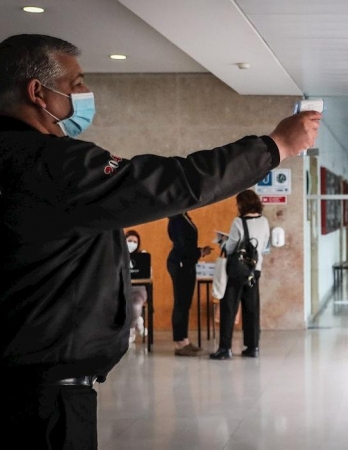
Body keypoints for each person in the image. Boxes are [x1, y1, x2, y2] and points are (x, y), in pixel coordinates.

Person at [0, 34, 320, 449]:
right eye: (77, 83)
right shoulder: (50, 164)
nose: (85, 93)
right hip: (42, 397)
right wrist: (273, 147)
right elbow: (172, 182)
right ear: (38, 93)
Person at [210, 189, 271, 360]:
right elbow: (264, 244)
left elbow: (231, 247)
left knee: (229, 307)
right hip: (255, 269)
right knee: (251, 308)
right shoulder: (264, 221)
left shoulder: (238, 222)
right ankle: (252, 347)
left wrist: (222, 243)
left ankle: (225, 348)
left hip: (237, 270)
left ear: (242, 204)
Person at [167, 212, 212, 356]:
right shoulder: (177, 219)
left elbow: (188, 244)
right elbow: (182, 247)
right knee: (181, 302)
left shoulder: (184, 217)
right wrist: (199, 253)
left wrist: (200, 251)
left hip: (187, 263)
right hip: (181, 263)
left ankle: (184, 340)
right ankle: (179, 343)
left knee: (185, 303)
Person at [125, 229, 148, 344]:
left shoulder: (142, 256)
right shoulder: (119, 255)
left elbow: (148, 274)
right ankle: (137, 319)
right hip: (122, 290)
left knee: (135, 307)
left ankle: (131, 328)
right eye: (129, 241)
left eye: (135, 242)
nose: (132, 244)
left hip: (138, 290)